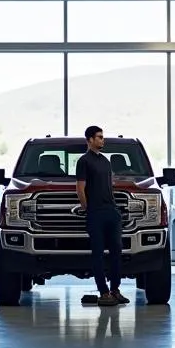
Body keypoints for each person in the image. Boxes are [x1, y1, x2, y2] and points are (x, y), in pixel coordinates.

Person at [74, 125, 128, 307]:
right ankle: (103, 292)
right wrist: (87, 208)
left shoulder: (105, 161)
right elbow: (80, 188)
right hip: (95, 212)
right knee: (97, 252)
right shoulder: (84, 161)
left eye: (102, 137)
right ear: (89, 139)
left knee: (116, 251)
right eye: (99, 137)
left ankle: (115, 290)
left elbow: (109, 186)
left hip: (111, 212)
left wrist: (114, 208)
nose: (102, 140)